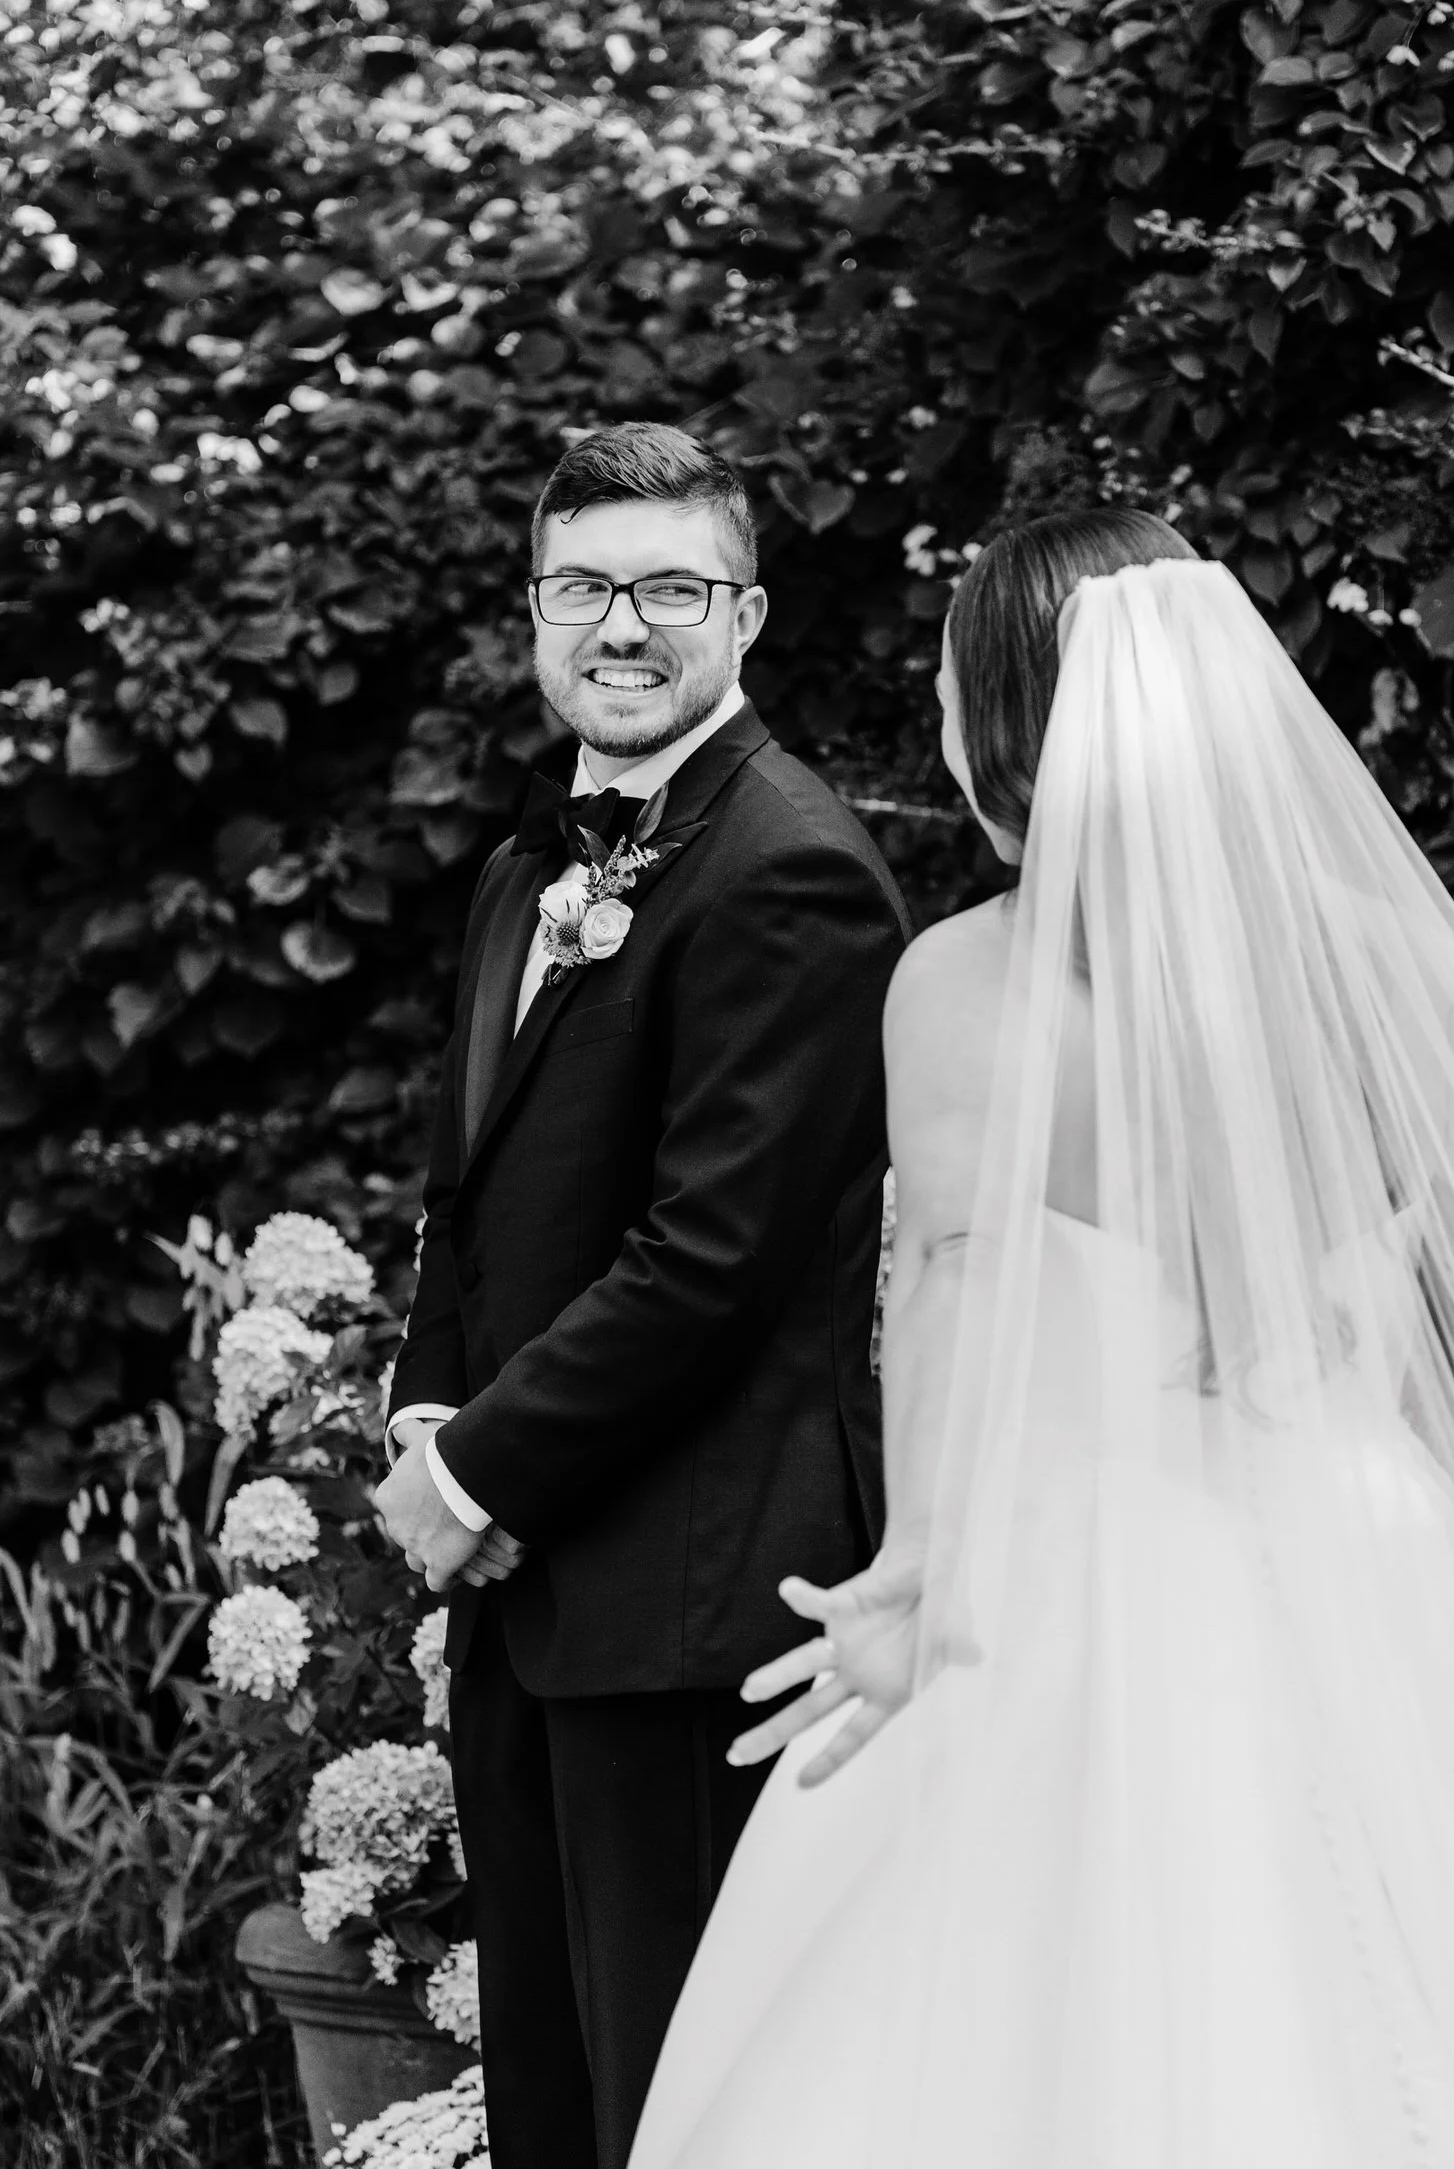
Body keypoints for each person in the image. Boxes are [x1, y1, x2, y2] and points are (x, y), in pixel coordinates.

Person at [626, 507, 1454, 2169]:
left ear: (1006, 722)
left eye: (949, 683)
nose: (938, 711)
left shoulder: (966, 981)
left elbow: (950, 1276)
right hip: (1382, 1569)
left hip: (1079, 1580)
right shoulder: (1366, 961)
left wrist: (916, 1569)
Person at [373, 422, 909, 2169]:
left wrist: (476, 1478)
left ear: (745, 616)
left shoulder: (791, 868)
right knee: (557, 2103)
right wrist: (427, 1416)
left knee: (686, 2115)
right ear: (533, 609)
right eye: (583, 588)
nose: (621, 626)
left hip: (697, 1609)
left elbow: (713, 1260)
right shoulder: (518, 875)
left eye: (671, 588)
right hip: (533, 1602)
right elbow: (469, 1199)